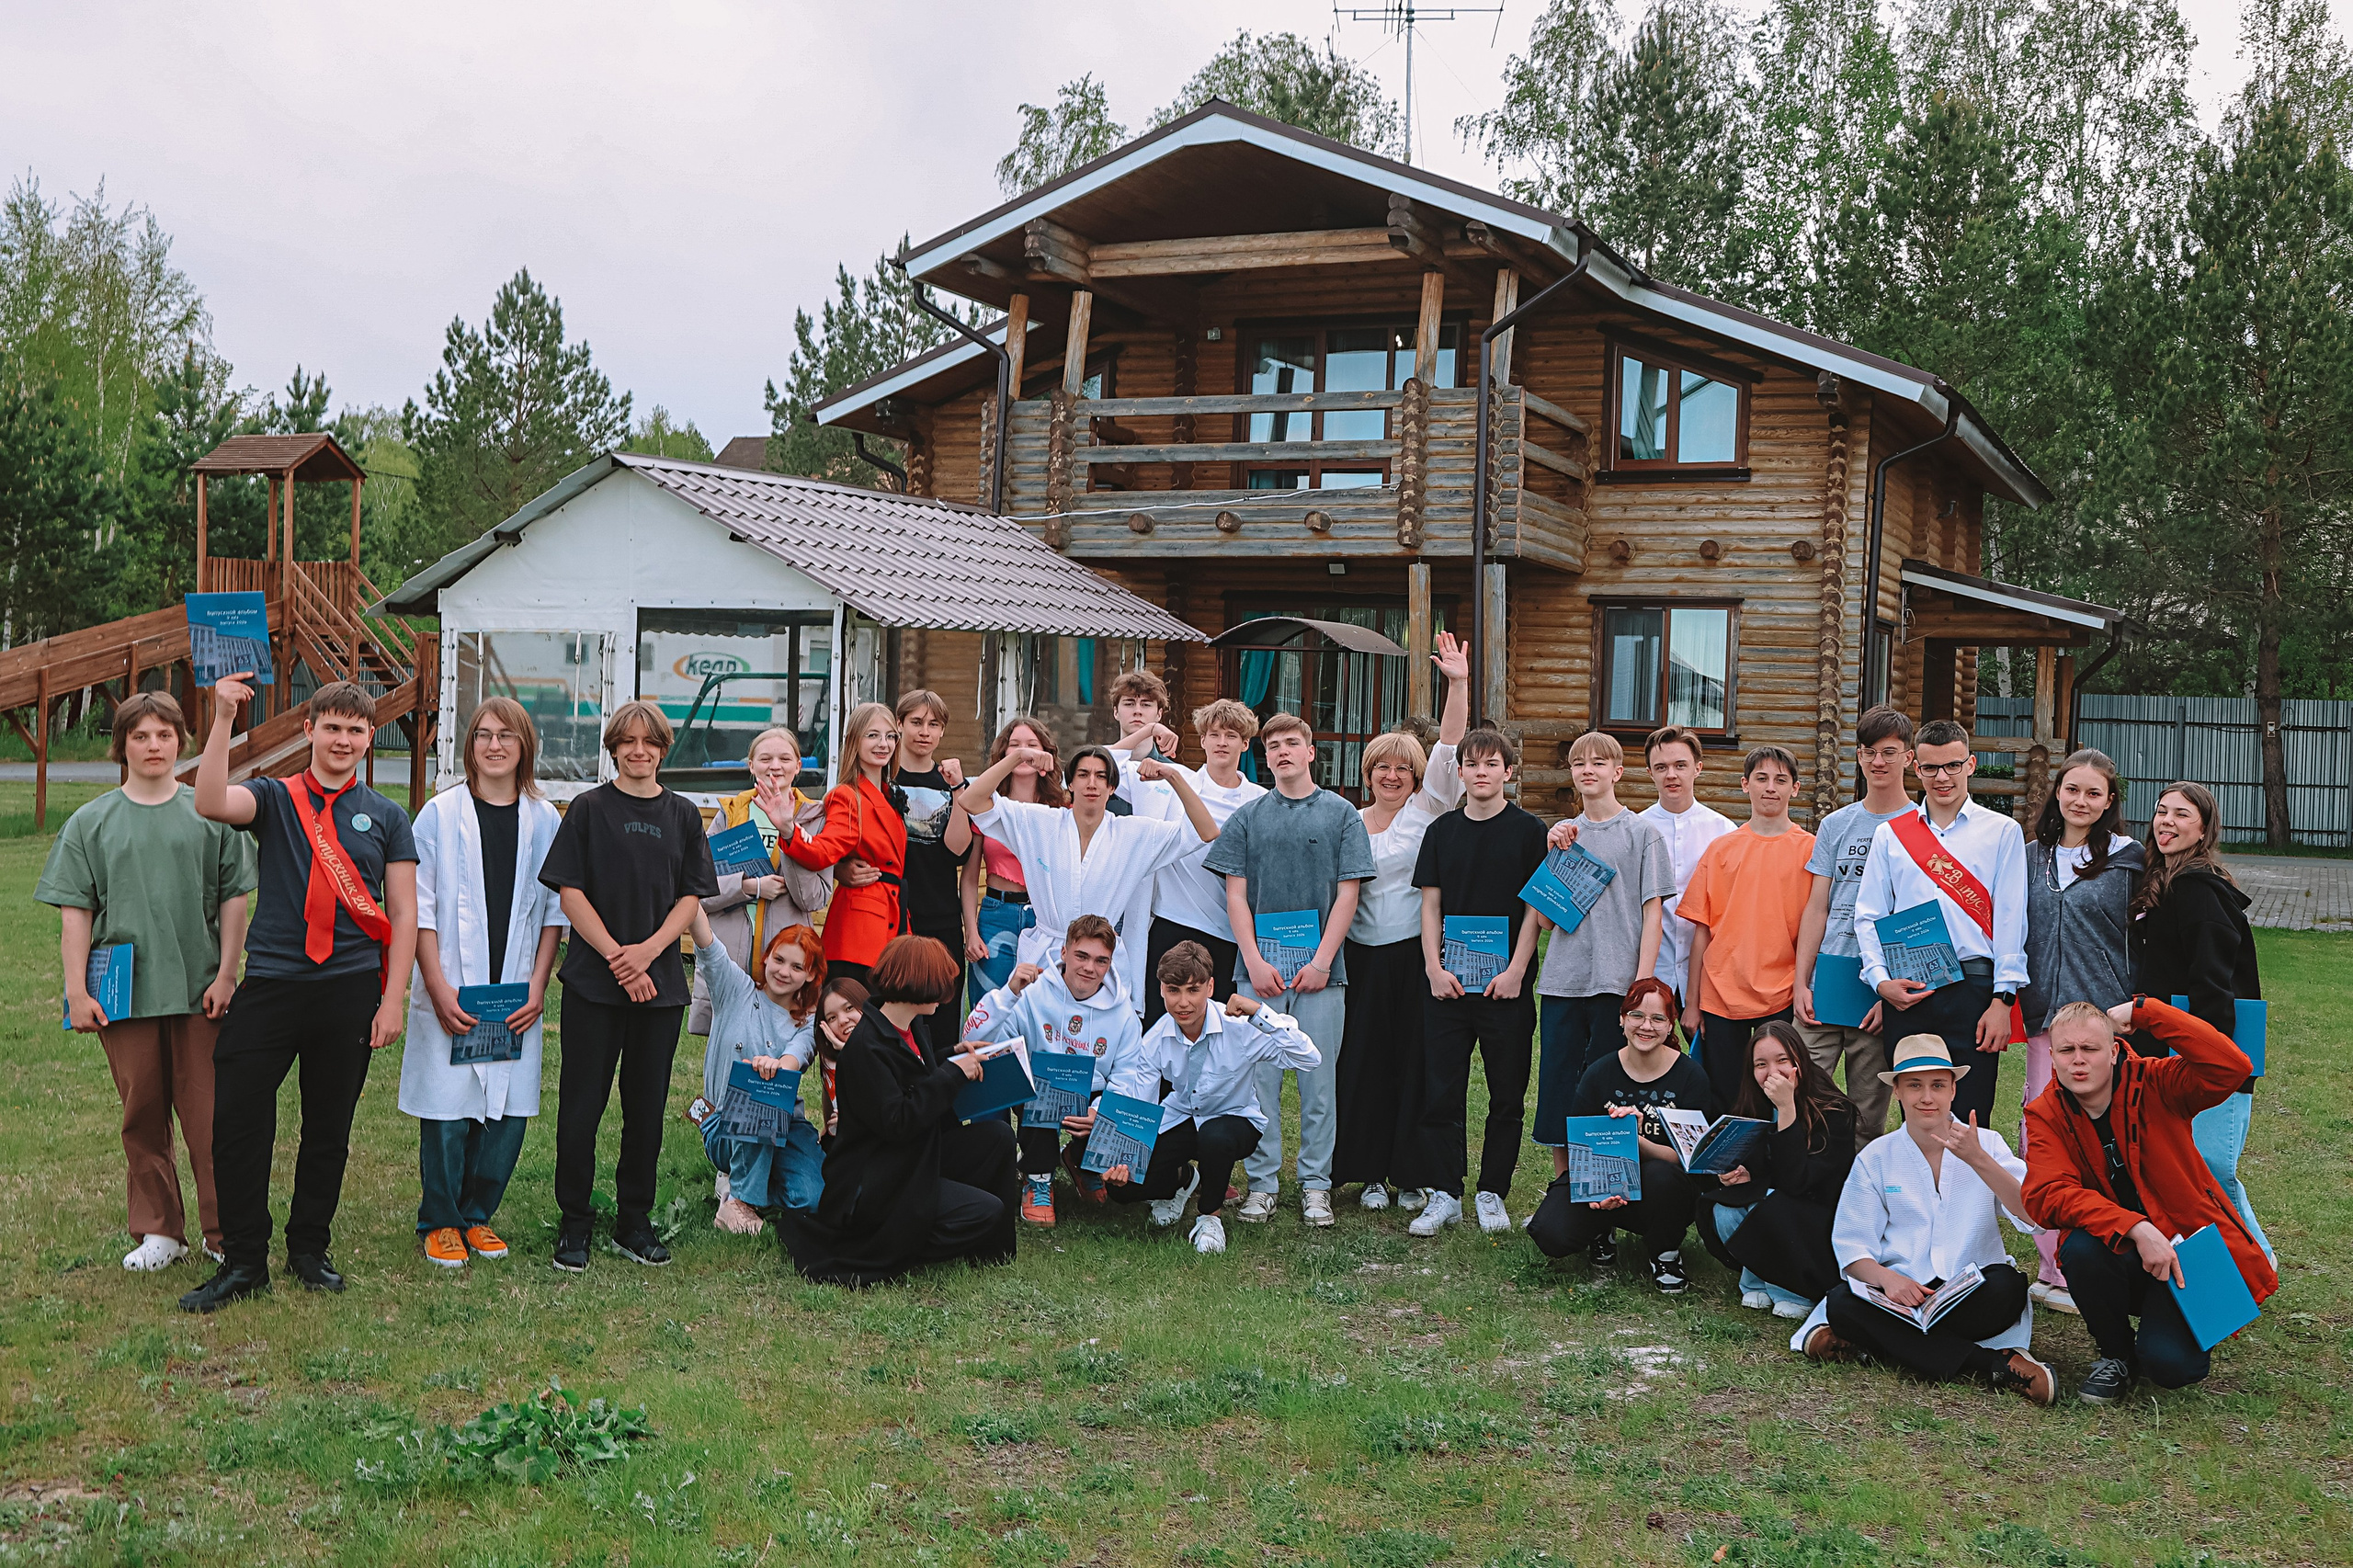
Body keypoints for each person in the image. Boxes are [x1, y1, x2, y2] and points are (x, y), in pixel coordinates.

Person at [181, 677, 419, 1312]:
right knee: (238, 1123)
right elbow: (207, 800)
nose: (343, 740)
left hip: (347, 991)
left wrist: (392, 999)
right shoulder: (273, 798)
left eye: (355, 730)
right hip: (273, 984)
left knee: (328, 1128)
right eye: (331, 727)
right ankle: (244, 1260)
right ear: (307, 730)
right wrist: (224, 717)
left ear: (370, 740)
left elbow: (402, 913)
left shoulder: (390, 818)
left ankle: (310, 1250)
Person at [38, 691, 254, 1275]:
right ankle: (160, 1230)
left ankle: (223, 1229)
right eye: (140, 736)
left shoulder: (209, 813)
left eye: (164, 735)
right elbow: (75, 913)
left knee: (210, 1117)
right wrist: (77, 990)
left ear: (181, 741)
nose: (153, 746)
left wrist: (228, 973)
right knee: (142, 1113)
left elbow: (236, 895)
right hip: (123, 996)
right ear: (122, 745)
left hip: (199, 988)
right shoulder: (92, 822)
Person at [537, 700, 719, 1273]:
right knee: (582, 1106)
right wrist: (618, 956)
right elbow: (569, 892)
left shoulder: (686, 815)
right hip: (596, 983)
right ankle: (574, 1221)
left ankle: (634, 1220)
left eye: (650, 742)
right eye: (628, 742)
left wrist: (647, 953)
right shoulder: (588, 810)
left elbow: (690, 897)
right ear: (613, 747)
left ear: (664, 749)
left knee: (646, 1109)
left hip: (659, 985)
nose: (639, 751)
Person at [2023, 998, 2278, 1403]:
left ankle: (2170, 1328)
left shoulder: (2156, 1081)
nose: (2078, 1062)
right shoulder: (2045, 1112)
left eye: (2089, 1049)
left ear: (2113, 1049)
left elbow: (2231, 1066)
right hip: (2121, 1252)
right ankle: (2117, 1355)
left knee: (2172, 1367)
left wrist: (2147, 1012)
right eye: (2067, 1051)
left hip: (2188, 1252)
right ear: (2051, 1056)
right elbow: (2046, 1195)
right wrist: (2136, 1228)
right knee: (2080, 1249)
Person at [1794, 1036, 2054, 1406]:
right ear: (1897, 1091)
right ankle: (1990, 1365)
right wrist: (1890, 1280)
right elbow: (1852, 1248)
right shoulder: (1876, 1156)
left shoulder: (1988, 1144)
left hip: (1971, 1292)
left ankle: (1881, 1345)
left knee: (2008, 1287)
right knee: (1842, 1302)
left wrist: (1979, 1160)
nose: (1927, 1098)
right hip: (1901, 1296)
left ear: (1953, 1089)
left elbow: (2034, 1217)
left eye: (1937, 1085)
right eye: (1914, 1085)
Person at [398, 698, 566, 1269]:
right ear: (469, 746)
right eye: (483, 736)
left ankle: (477, 1214)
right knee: (448, 1108)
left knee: (509, 1109)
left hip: (514, 987)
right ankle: (441, 1219)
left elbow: (552, 913)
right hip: (451, 983)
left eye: (507, 737)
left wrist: (538, 988)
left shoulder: (545, 820)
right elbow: (418, 910)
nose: (494, 746)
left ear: (525, 747)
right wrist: (438, 987)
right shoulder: (439, 815)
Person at [1208, 711, 1376, 1228]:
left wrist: (1323, 961)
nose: (1282, 751)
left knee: (1317, 1081)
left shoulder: (1342, 815)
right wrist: (1253, 961)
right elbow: (1235, 896)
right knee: (1258, 1083)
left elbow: (1349, 894)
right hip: (1257, 974)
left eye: (1291, 743)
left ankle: (1316, 1185)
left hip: (1323, 972)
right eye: (1273, 745)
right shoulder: (1248, 818)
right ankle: (1262, 1184)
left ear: (1310, 753)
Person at [777, 935, 1020, 1287]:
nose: (945, 993)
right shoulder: (865, 1049)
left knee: (997, 1137)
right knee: (985, 1211)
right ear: (921, 984)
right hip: (882, 1178)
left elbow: (911, 1071)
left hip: (913, 1156)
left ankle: (992, 1253)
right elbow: (898, 1120)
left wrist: (953, 1053)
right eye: (941, 983)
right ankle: (905, 1245)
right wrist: (953, 1073)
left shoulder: (907, 1025)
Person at [1333, 632, 1471, 1213]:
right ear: (1368, 773)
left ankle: (1412, 1173)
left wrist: (1457, 683)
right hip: (1361, 954)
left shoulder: (1429, 809)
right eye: (1381, 767)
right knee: (1363, 1062)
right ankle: (1367, 1173)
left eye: (1402, 768)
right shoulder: (1346, 818)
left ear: (1418, 776)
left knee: (1416, 1063)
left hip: (1416, 953)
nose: (1392, 775)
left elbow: (1451, 741)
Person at [1406, 726, 1550, 1236]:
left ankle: (1492, 1192)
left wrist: (1516, 971)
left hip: (1505, 988)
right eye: (1473, 764)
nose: (1482, 773)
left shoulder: (1531, 831)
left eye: (1492, 764)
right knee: (1441, 1090)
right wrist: (1432, 968)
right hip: (1447, 984)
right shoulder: (1442, 831)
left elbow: (1537, 906)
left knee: (1507, 1093)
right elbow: (1431, 904)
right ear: (1460, 772)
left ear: (1508, 772)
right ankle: (1445, 1193)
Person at [2018, 749, 2146, 1312]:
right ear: (2058, 793)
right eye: (2073, 789)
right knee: (2045, 1139)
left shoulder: (2129, 860)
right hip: (2046, 1020)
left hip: (2105, 1021)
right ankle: (2054, 1265)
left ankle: (2110, 1257)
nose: (2081, 801)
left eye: (2094, 793)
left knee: (2107, 1138)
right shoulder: (2028, 857)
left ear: (2110, 802)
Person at [1853, 719, 2028, 1130]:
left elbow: (2010, 918)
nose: (1942, 777)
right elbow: (1869, 915)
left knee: (1972, 1112)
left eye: (1952, 766)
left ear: (1971, 764)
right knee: (1917, 1114)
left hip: (1974, 988)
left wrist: (2003, 1001)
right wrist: (1880, 982)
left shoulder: (2002, 831)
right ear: (1916, 767)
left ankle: (1971, 1195)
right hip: (1910, 990)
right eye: (1931, 768)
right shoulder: (1891, 836)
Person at [957, 738, 1218, 1009]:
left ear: (1112, 787)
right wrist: (1018, 756)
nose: (1091, 783)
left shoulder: (1134, 834)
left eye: (1101, 776)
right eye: (1083, 775)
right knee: (1039, 1042)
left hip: (1101, 963)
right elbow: (971, 799)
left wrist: (1172, 775)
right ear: (1070, 784)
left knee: (1096, 1044)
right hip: (1046, 958)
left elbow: (1205, 832)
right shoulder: (1039, 822)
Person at [1103, 941, 1324, 1254]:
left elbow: (1309, 1058)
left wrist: (1260, 1012)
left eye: (1193, 990)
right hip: (1182, 1118)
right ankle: (1182, 1181)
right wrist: (1124, 1157)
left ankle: (1210, 1217)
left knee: (1214, 1136)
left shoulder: (1240, 1028)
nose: (1183, 1002)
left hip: (1235, 1121)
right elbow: (1141, 1101)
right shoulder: (1156, 1038)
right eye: (1173, 990)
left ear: (1210, 987)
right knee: (1122, 1190)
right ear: (1161, 990)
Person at [2131, 781, 2271, 1261]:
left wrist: (2203, 1057)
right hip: (2180, 1048)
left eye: (2182, 815)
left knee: (2212, 1167)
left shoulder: (2196, 889)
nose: (2167, 821)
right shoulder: (2166, 880)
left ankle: (2258, 1262)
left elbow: (2214, 985)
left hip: (2211, 1055)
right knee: (2194, 1167)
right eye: (2161, 811)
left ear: (2204, 828)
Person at [1533, 732, 1672, 1179]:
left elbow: (1654, 917)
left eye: (1597, 762)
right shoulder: (1563, 837)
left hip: (1618, 984)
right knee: (1558, 1085)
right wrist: (1554, 853)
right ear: (1572, 775)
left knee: (1607, 1088)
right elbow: (1546, 922)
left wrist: (1642, 987)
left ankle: (1604, 1184)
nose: (1587, 769)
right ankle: (1562, 1187)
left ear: (1618, 772)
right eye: (1578, 763)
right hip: (1564, 980)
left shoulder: (1642, 835)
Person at [1525, 980, 1712, 1292]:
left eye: (1657, 1019)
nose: (1646, 1026)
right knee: (1549, 1232)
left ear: (1670, 1026)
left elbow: (1689, 1159)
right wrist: (1599, 1192)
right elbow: (1580, 1144)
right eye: (1637, 1015)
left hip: (1663, 1185)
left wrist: (1635, 1139)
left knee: (1665, 1178)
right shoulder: (1599, 1073)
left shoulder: (1690, 1076)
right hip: (1603, 1175)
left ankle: (1665, 1253)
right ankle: (1601, 1229)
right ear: (1622, 1019)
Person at [961, 915, 1143, 1225]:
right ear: (1063, 952)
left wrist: (1101, 1113)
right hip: (1038, 1089)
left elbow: (1128, 1075)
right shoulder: (1033, 992)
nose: (1089, 968)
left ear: (1111, 963)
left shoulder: (1124, 1013)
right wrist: (1008, 994)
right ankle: (1038, 1177)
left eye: (1101, 961)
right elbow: (976, 1041)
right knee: (1046, 1086)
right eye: (1081, 956)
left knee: (1116, 1109)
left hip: (1092, 1096)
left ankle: (1081, 1162)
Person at [1792, 705, 1915, 1150]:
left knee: (1867, 1118)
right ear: (1858, 758)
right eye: (1869, 752)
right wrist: (1800, 981)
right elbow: (1817, 907)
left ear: (1909, 757)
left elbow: (1915, 920)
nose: (1878, 762)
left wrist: (1890, 993)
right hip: (1829, 978)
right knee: (1800, 1098)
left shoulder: (1920, 827)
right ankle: (1807, 1202)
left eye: (1889, 751)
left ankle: (1860, 1204)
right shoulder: (1836, 824)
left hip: (1879, 989)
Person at [1677, 746, 1816, 1116]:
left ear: (1795, 789)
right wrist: (1692, 1002)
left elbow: (1815, 927)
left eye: (1781, 780)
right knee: (1725, 1093)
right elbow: (1701, 932)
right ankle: (1727, 1171)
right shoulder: (1721, 850)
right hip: (1723, 992)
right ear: (1745, 785)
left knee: (1780, 1093)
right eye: (1762, 778)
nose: (1771, 788)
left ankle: (1773, 1168)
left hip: (1783, 992)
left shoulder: (1810, 851)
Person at [1114, 698, 1266, 1028]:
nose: (1222, 742)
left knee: (1219, 1030)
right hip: (1172, 923)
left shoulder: (1259, 801)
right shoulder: (1169, 781)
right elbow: (1103, 761)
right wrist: (1150, 730)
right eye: (1214, 734)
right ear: (1202, 740)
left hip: (1228, 932)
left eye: (1231, 735)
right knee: (1160, 1025)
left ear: (1245, 743)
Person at [1697, 1020, 1859, 1316]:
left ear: (1800, 1060)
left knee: (1770, 1206)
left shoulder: (1835, 1110)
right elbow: (1764, 1170)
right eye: (1761, 1064)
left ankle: (1792, 1287)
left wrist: (1787, 1110)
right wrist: (1742, 1175)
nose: (1772, 1073)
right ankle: (1758, 1279)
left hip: (1816, 1214)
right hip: (1776, 1199)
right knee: (1724, 1209)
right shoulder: (1754, 1102)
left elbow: (1797, 1182)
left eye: (1782, 1060)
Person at [689, 725, 839, 1037]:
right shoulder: (730, 815)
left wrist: (789, 833)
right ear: (751, 766)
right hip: (731, 958)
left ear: (798, 767)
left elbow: (814, 898)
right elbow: (698, 890)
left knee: (776, 1059)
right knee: (725, 1058)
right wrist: (749, 888)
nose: (775, 766)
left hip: (786, 967)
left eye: (785, 758)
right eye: (765, 758)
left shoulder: (815, 818)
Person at [690, 906, 824, 1232]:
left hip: (787, 1127)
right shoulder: (735, 989)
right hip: (725, 1124)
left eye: (797, 966)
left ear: (809, 975)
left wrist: (778, 1066)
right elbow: (707, 942)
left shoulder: (807, 1023)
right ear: (766, 958)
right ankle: (739, 1203)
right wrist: (688, 887)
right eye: (779, 960)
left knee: (810, 1199)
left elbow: (797, 1055)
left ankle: (740, 1183)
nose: (783, 972)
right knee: (756, 1096)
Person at [780, 703, 908, 987]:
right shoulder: (848, 795)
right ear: (854, 741)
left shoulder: (888, 794)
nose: (883, 744)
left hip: (891, 917)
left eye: (890, 736)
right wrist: (789, 829)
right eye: (872, 735)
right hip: (860, 931)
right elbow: (822, 852)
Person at [892, 689, 973, 1048]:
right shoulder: (884, 780)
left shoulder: (953, 785)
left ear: (942, 732)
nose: (924, 731)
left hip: (941, 915)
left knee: (941, 1019)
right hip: (893, 913)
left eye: (933, 724)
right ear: (899, 725)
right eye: (916, 723)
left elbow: (958, 850)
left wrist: (959, 791)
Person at [961, 717, 1062, 1006]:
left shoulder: (1061, 807)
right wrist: (971, 931)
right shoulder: (990, 807)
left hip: (1045, 917)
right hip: (997, 913)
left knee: (1042, 1011)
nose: (1025, 752)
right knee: (990, 1005)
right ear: (1004, 754)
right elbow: (969, 878)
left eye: (1032, 745)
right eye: (1015, 746)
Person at [1634, 725, 1734, 1013]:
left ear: (1697, 768)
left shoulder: (1723, 831)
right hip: (1650, 965)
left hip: (1708, 971)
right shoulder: (1637, 829)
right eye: (1661, 767)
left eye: (1680, 765)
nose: (1671, 775)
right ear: (1649, 773)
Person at [811, 974, 868, 1139]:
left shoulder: (888, 1047)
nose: (843, 1020)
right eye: (832, 1018)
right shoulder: (831, 1058)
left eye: (849, 1008)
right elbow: (831, 1096)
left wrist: (849, 1053)